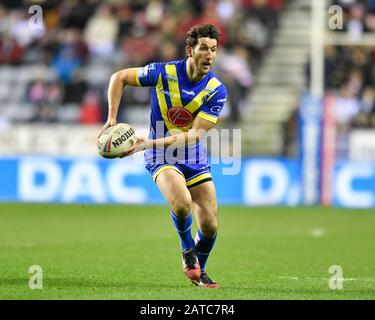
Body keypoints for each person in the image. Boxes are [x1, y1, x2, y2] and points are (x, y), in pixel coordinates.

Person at [98, 24, 227, 289]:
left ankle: (199, 270)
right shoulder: (163, 72)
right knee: (181, 204)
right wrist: (111, 118)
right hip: (161, 155)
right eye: (204, 48)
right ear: (190, 51)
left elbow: (194, 135)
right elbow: (118, 77)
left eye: (213, 50)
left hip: (192, 155)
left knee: (211, 225)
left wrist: (147, 143)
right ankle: (187, 250)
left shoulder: (216, 90)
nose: (210, 55)